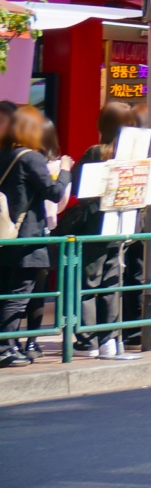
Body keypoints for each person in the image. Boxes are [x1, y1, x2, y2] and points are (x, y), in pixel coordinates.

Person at [53, 103, 134, 356]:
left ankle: (87, 340)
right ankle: (109, 339)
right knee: (111, 281)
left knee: (88, 281)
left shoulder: (95, 152)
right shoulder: (132, 155)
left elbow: (78, 188)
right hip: (122, 223)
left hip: (94, 224)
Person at [0, 107, 60, 366]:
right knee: (19, 295)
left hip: (5, 235)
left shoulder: (4, 155)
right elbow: (53, 192)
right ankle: (5, 348)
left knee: (6, 291)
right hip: (27, 238)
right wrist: (64, 171)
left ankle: (10, 346)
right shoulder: (31, 158)